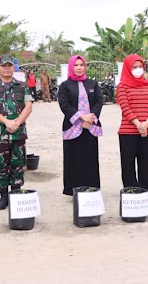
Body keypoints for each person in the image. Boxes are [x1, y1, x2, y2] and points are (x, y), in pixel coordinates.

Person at [0, 55, 33, 210]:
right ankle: (3, 196)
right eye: (3, 66)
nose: (6, 68)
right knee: (0, 166)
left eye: (9, 66)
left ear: (14, 68)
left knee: (18, 165)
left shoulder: (22, 86)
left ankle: (16, 195)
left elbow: (28, 106)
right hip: (0, 134)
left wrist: (16, 123)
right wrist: (6, 122)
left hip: (18, 134)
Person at [58, 55, 103, 196]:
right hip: (73, 127)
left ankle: (91, 188)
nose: (79, 68)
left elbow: (99, 101)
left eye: (81, 65)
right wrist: (81, 116)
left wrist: (90, 118)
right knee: (74, 158)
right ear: (72, 67)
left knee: (90, 158)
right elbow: (64, 105)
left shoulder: (92, 84)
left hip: (90, 126)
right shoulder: (65, 86)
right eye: (76, 65)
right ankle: (74, 189)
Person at [116, 54, 148, 204]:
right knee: (128, 164)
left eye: (140, 66)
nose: (138, 69)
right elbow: (125, 107)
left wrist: (146, 124)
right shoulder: (122, 86)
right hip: (128, 131)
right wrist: (138, 124)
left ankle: (147, 192)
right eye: (134, 67)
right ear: (128, 68)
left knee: (145, 164)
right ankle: (131, 192)